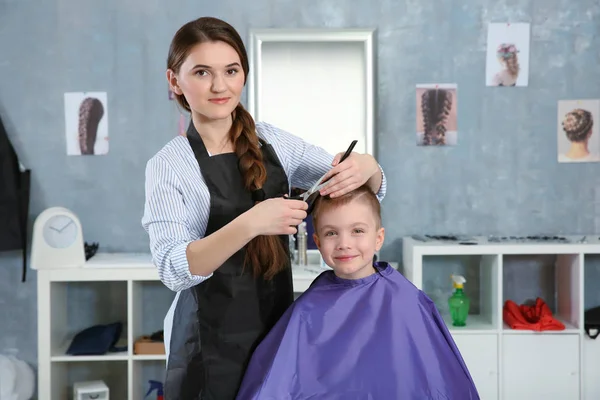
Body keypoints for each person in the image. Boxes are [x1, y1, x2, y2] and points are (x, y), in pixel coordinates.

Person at [141, 16, 387, 400]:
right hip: (208, 349)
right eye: (202, 72)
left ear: (244, 75)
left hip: (277, 333)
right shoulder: (169, 165)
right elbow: (174, 269)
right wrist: (251, 223)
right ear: (175, 81)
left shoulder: (274, 142)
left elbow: (349, 185)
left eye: (231, 70)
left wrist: (370, 168)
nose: (220, 86)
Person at [236, 185, 480, 399]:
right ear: (318, 242)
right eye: (332, 233)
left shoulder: (405, 301)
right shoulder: (308, 308)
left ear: (378, 238)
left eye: (357, 231)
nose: (344, 243)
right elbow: (276, 382)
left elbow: (435, 380)